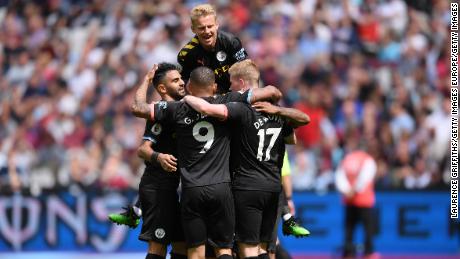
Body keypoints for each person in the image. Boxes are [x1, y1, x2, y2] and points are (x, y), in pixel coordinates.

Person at [132, 66, 281, 259]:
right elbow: (271, 91)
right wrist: (275, 106)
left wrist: (146, 80)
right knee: (224, 250)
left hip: (192, 189)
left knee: (195, 251)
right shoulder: (227, 102)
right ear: (214, 87)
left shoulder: (177, 108)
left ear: (190, 87)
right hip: (222, 188)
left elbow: (138, 108)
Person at [182, 59, 310, 259]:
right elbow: (292, 137)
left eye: (232, 83)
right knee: (264, 249)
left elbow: (208, 109)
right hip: (273, 188)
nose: (231, 87)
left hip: (247, 186)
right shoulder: (276, 111)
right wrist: (280, 113)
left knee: (247, 250)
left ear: (241, 83)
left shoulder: (242, 110)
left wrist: (187, 97)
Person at [110, 63, 187, 259]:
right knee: (157, 248)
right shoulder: (159, 113)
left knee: (181, 246)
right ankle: (136, 209)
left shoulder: (182, 108)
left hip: (173, 190)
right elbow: (143, 150)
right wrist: (159, 157)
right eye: (175, 80)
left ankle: (135, 210)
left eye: (181, 79)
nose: (181, 83)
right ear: (162, 88)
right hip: (158, 189)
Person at [178, 4, 248, 94]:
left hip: (236, 92)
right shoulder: (187, 54)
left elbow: (246, 70)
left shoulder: (231, 42)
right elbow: (186, 84)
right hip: (208, 99)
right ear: (193, 29)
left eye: (210, 26)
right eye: (201, 28)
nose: (207, 31)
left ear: (217, 25)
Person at [335, 150, 379, 259]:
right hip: (364, 200)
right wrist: (354, 190)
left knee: (349, 229)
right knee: (367, 229)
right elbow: (365, 178)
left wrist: (347, 191)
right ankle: (368, 253)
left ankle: (348, 253)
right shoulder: (367, 159)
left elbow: (339, 177)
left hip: (349, 200)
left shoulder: (346, 160)